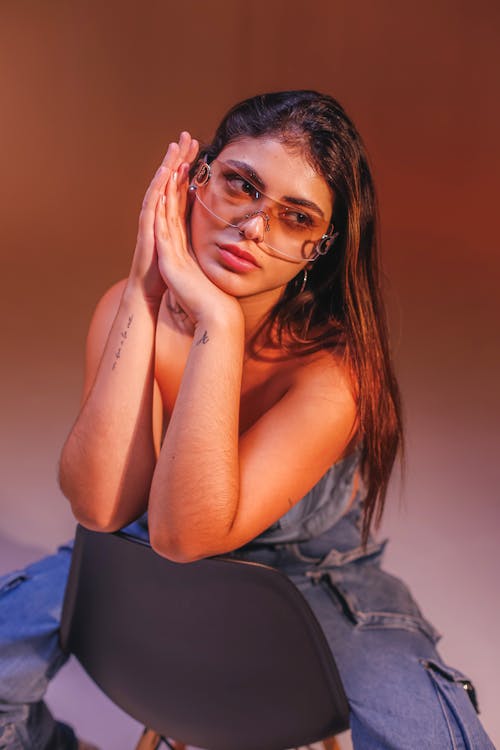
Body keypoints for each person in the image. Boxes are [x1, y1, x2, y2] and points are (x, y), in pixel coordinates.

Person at [0, 91, 494, 750]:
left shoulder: (338, 374)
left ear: (317, 250)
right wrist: (145, 297)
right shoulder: (131, 304)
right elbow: (99, 507)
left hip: (310, 576)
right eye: (241, 185)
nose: (255, 228)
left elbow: (189, 534)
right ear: (194, 178)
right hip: (148, 554)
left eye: (295, 218)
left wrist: (219, 328)